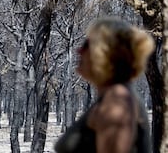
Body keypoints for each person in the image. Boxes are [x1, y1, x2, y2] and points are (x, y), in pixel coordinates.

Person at [54, 17, 154, 153]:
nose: (79, 51)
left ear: (105, 53)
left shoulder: (117, 103)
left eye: (86, 45)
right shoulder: (114, 97)